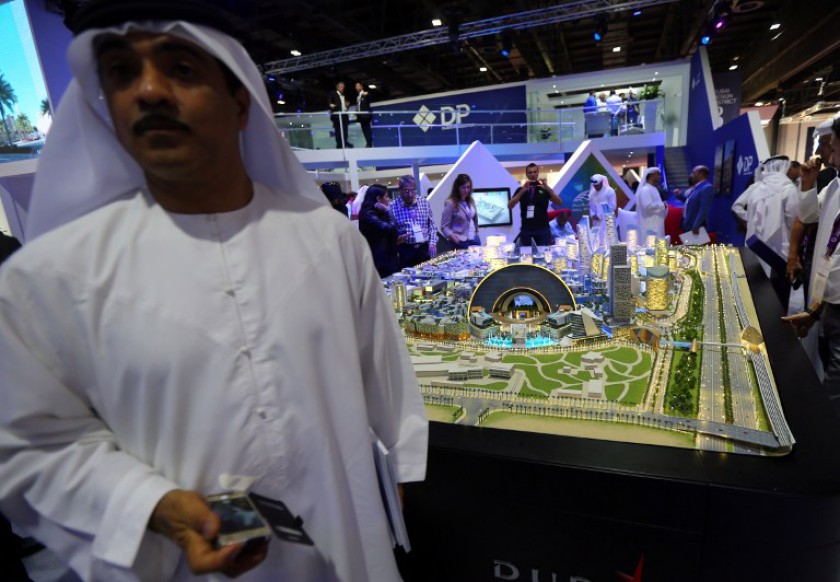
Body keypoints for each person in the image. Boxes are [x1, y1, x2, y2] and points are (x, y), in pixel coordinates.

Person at [0, 2, 428, 581]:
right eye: (123, 73)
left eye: (180, 68)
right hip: (181, 564)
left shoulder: (327, 240)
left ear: (239, 98)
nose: (149, 91)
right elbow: (30, 446)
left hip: (344, 546)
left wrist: (394, 490)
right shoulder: (50, 277)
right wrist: (150, 506)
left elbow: (387, 386)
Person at [782, 117, 840, 415]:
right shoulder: (834, 185)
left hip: (834, 304)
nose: (828, 154)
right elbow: (807, 215)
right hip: (827, 302)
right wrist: (807, 184)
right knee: (825, 364)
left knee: (835, 389)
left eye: (832, 145)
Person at [731, 156, 799, 309]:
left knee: (754, 296)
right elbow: (794, 223)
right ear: (785, 167)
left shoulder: (756, 188)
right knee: (777, 302)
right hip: (780, 253)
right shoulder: (789, 189)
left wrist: (750, 221)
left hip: (755, 248)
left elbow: (737, 207)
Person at [508, 162, 563, 246]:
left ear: (538, 173)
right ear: (526, 174)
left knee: (543, 256)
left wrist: (547, 188)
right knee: (527, 256)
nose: (533, 174)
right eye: (530, 172)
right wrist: (522, 191)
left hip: (543, 229)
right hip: (526, 230)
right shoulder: (521, 190)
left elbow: (559, 202)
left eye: (534, 172)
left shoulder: (544, 189)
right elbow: (510, 206)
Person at [391, 175, 437, 269]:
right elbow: (391, 230)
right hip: (405, 250)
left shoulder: (423, 202)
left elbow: (432, 225)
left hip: (424, 248)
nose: (410, 194)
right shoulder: (393, 206)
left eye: (413, 190)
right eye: (406, 191)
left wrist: (432, 243)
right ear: (400, 190)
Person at [359, 184, 404, 277]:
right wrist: (388, 210)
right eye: (387, 196)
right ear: (378, 199)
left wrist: (397, 239)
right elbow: (390, 227)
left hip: (387, 259)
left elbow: (389, 231)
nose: (389, 199)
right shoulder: (368, 214)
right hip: (379, 263)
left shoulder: (379, 212)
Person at [441, 173, 481, 250]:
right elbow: (444, 227)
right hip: (460, 241)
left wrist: (477, 231)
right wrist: (453, 238)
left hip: (474, 238)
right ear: (457, 188)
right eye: (463, 187)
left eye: (468, 187)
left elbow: (473, 218)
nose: (466, 190)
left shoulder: (471, 201)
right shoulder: (450, 203)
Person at [681, 165, 714, 235]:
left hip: (695, 228)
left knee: (695, 246)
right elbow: (690, 203)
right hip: (689, 225)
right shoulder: (697, 188)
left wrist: (696, 225)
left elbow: (703, 209)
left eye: (693, 173)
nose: (691, 175)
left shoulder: (707, 188)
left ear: (700, 174)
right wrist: (679, 196)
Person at [636, 167, 667, 239]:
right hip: (650, 226)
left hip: (656, 224)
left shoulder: (653, 188)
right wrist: (663, 205)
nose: (660, 176)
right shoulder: (645, 190)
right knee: (651, 247)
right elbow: (647, 206)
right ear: (652, 176)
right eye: (658, 174)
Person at [328, 81, 349, 148]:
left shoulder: (345, 95)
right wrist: (331, 105)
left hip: (344, 115)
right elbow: (329, 102)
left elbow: (347, 105)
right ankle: (339, 145)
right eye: (340, 87)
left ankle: (345, 144)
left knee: (345, 131)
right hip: (337, 116)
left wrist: (347, 105)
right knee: (338, 131)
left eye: (343, 87)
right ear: (337, 87)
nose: (342, 88)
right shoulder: (333, 93)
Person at [355, 82, 373, 148]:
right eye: (356, 86)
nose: (357, 87)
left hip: (366, 116)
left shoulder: (365, 94)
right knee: (364, 130)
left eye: (358, 86)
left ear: (361, 87)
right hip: (360, 116)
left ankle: (370, 144)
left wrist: (367, 94)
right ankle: (368, 143)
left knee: (367, 129)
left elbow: (370, 100)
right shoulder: (358, 96)